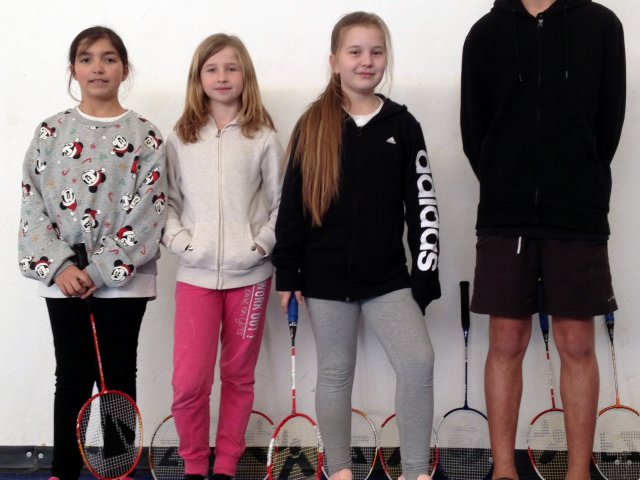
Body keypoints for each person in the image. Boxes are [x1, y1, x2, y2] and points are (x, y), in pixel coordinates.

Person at [460, 0, 626, 478]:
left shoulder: (602, 26)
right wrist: (505, 180)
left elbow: (608, 124)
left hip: (577, 212)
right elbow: (475, 130)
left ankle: (578, 473)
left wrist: (579, 180)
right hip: (505, 214)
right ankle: (504, 471)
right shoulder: (485, 33)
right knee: (506, 339)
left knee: (577, 343)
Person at [272, 11, 440, 480]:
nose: (367, 61)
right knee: (335, 371)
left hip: (387, 277)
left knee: (418, 360)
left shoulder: (403, 124)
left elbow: (422, 204)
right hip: (324, 278)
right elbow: (291, 206)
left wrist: (425, 273)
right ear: (334, 61)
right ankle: (340, 469)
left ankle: (416, 471)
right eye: (355, 52)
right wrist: (288, 272)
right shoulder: (312, 124)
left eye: (376, 52)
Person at [18, 26, 167, 480]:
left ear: (124, 68)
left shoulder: (145, 135)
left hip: (124, 281)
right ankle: (64, 470)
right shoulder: (50, 131)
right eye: (86, 59)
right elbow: (33, 203)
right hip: (64, 280)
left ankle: (118, 469)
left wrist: (101, 268)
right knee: (72, 375)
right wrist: (61, 266)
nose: (97, 67)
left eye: (108, 58)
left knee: (117, 375)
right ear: (73, 69)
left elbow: (150, 210)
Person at [162, 34, 283, 480]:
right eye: (211, 69)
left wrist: (260, 245)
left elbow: (283, 202)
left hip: (250, 277)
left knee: (238, 376)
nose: (222, 77)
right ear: (198, 78)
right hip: (195, 275)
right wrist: (183, 243)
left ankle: (227, 464)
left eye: (231, 68)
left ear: (245, 75)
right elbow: (166, 202)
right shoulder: (180, 138)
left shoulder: (263, 137)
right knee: (189, 382)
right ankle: (195, 464)